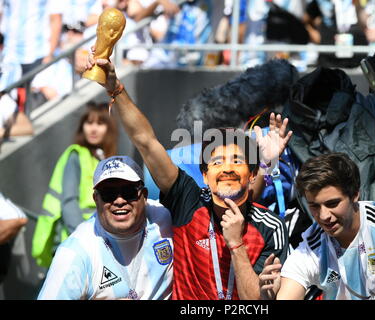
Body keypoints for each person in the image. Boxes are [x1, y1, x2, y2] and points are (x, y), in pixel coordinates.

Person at [85, 51, 291, 300]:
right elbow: (146, 141)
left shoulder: (272, 227)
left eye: (236, 161)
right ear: (204, 175)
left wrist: (236, 245)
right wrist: (115, 89)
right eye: (217, 162)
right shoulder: (188, 202)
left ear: (251, 175)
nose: (226, 168)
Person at [259, 152, 375, 300]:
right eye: (314, 206)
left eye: (333, 204)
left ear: (355, 194)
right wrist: (268, 297)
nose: (324, 216)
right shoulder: (311, 244)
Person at [38, 155, 173, 299]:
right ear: (96, 199)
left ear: (144, 195)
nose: (120, 201)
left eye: (129, 192)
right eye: (109, 194)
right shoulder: (75, 252)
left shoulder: (167, 217)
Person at [31, 102, 118, 268]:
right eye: (89, 123)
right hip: (76, 241)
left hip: (99, 240)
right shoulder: (76, 155)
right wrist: (84, 240)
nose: (93, 129)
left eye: (100, 123)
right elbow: (69, 203)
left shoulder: (103, 159)